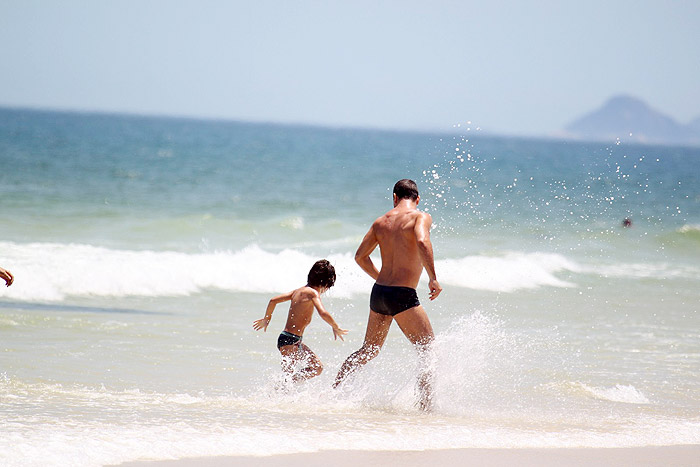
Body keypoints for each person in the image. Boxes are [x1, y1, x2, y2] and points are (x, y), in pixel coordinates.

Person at [333, 179, 442, 411]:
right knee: (428, 350)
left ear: (394, 197)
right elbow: (422, 241)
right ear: (417, 198)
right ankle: (426, 409)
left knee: (368, 350)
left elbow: (360, 257)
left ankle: (335, 391)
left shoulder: (381, 222)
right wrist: (433, 277)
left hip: (380, 293)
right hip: (403, 295)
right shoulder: (420, 217)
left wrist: (381, 279)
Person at [253, 259, 348, 382]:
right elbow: (323, 312)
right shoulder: (313, 293)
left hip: (292, 340)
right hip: (290, 340)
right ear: (325, 282)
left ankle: (284, 389)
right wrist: (335, 326)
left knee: (316, 367)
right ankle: (279, 393)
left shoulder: (298, 291)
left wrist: (267, 319)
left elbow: (273, 300)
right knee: (291, 377)